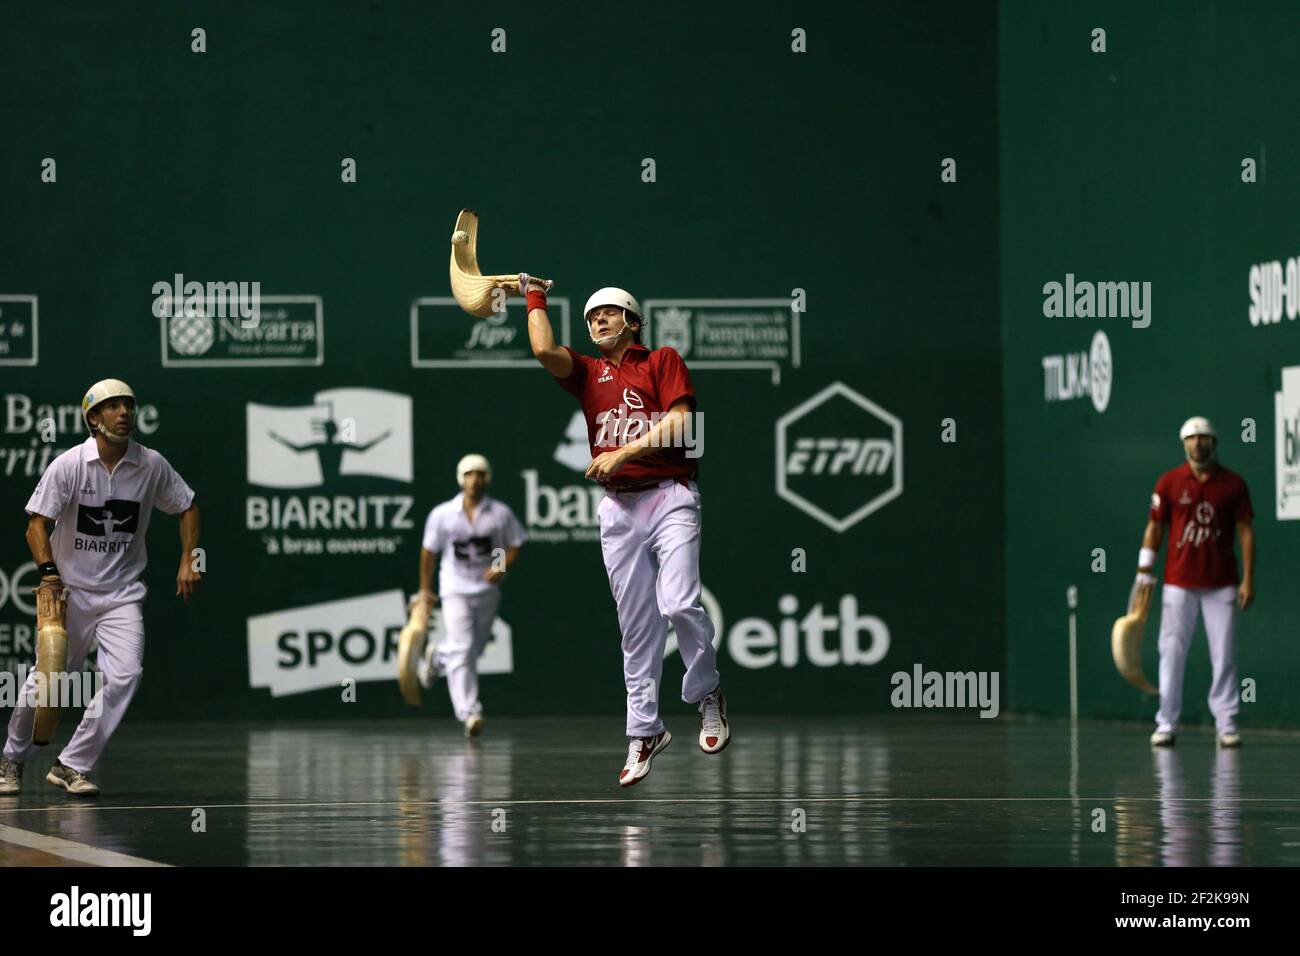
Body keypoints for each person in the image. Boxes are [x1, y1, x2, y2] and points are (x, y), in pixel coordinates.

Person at [523, 276, 728, 787]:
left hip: (670, 494)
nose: (598, 321)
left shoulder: (662, 361)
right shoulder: (588, 372)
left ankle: (707, 695)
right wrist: (533, 295)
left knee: (679, 603)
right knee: (637, 630)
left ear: (632, 321)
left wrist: (623, 452)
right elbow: (545, 348)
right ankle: (644, 732)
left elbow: (682, 422)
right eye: (592, 316)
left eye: (608, 313)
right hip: (618, 510)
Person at [0, 379, 200, 796]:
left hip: (122, 594)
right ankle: (11, 760)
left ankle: (71, 763)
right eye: (113, 407)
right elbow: (36, 525)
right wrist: (50, 574)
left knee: (125, 674)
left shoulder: (151, 465)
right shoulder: (70, 465)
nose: (124, 412)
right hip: (69, 593)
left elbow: (187, 506)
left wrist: (188, 559)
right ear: (94, 418)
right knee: (47, 680)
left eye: (129, 405)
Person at [1136, 416, 1254, 749]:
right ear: (1183, 443)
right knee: (1171, 652)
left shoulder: (1233, 485)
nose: (1197, 443)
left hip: (1222, 583)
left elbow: (1246, 531)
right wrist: (1144, 570)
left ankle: (1226, 724)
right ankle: (1166, 722)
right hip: (1179, 583)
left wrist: (1249, 578)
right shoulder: (1169, 482)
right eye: (1191, 438)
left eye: (1203, 438)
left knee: (1225, 654)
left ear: (1214, 443)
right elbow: (1155, 527)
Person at [414, 454, 524, 737]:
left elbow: (512, 544)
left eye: (479, 474)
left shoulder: (500, 513)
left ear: (487, 478)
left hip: (487, 590)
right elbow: (429, 552)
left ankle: (437, 656)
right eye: (469, 474)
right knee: (463, 647)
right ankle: (470, 712)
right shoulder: (442, 514)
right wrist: (425, 590)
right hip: (454, 588)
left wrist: (498, 566)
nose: (474, 480)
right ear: (460, 479)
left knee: (473, 650)